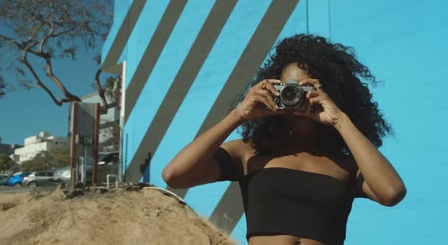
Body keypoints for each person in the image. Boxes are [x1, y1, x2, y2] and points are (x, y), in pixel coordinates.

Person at [162, 34, 406, 245]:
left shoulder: (346, 166)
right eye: (287, 88)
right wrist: (239, 115)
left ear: (327, 92)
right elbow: (175, 175)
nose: (295, 95)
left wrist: (339, 120)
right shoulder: (249, 153)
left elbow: (391, 192)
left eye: (305, 88)